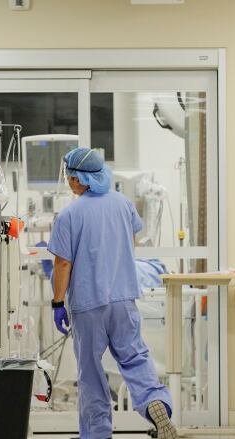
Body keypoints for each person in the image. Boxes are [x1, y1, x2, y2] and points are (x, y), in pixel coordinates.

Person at [47, 147, 177, 439]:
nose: (68, 181)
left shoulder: (69, 216)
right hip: (123, 301)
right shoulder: (123, 204)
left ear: (80, 179)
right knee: (135, 357)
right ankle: (156, 402)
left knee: (91, 371)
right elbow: (130, 245)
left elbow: (63, 262)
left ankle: (96, 433)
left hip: (89, 304)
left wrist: (57, 303)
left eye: (70, 176)